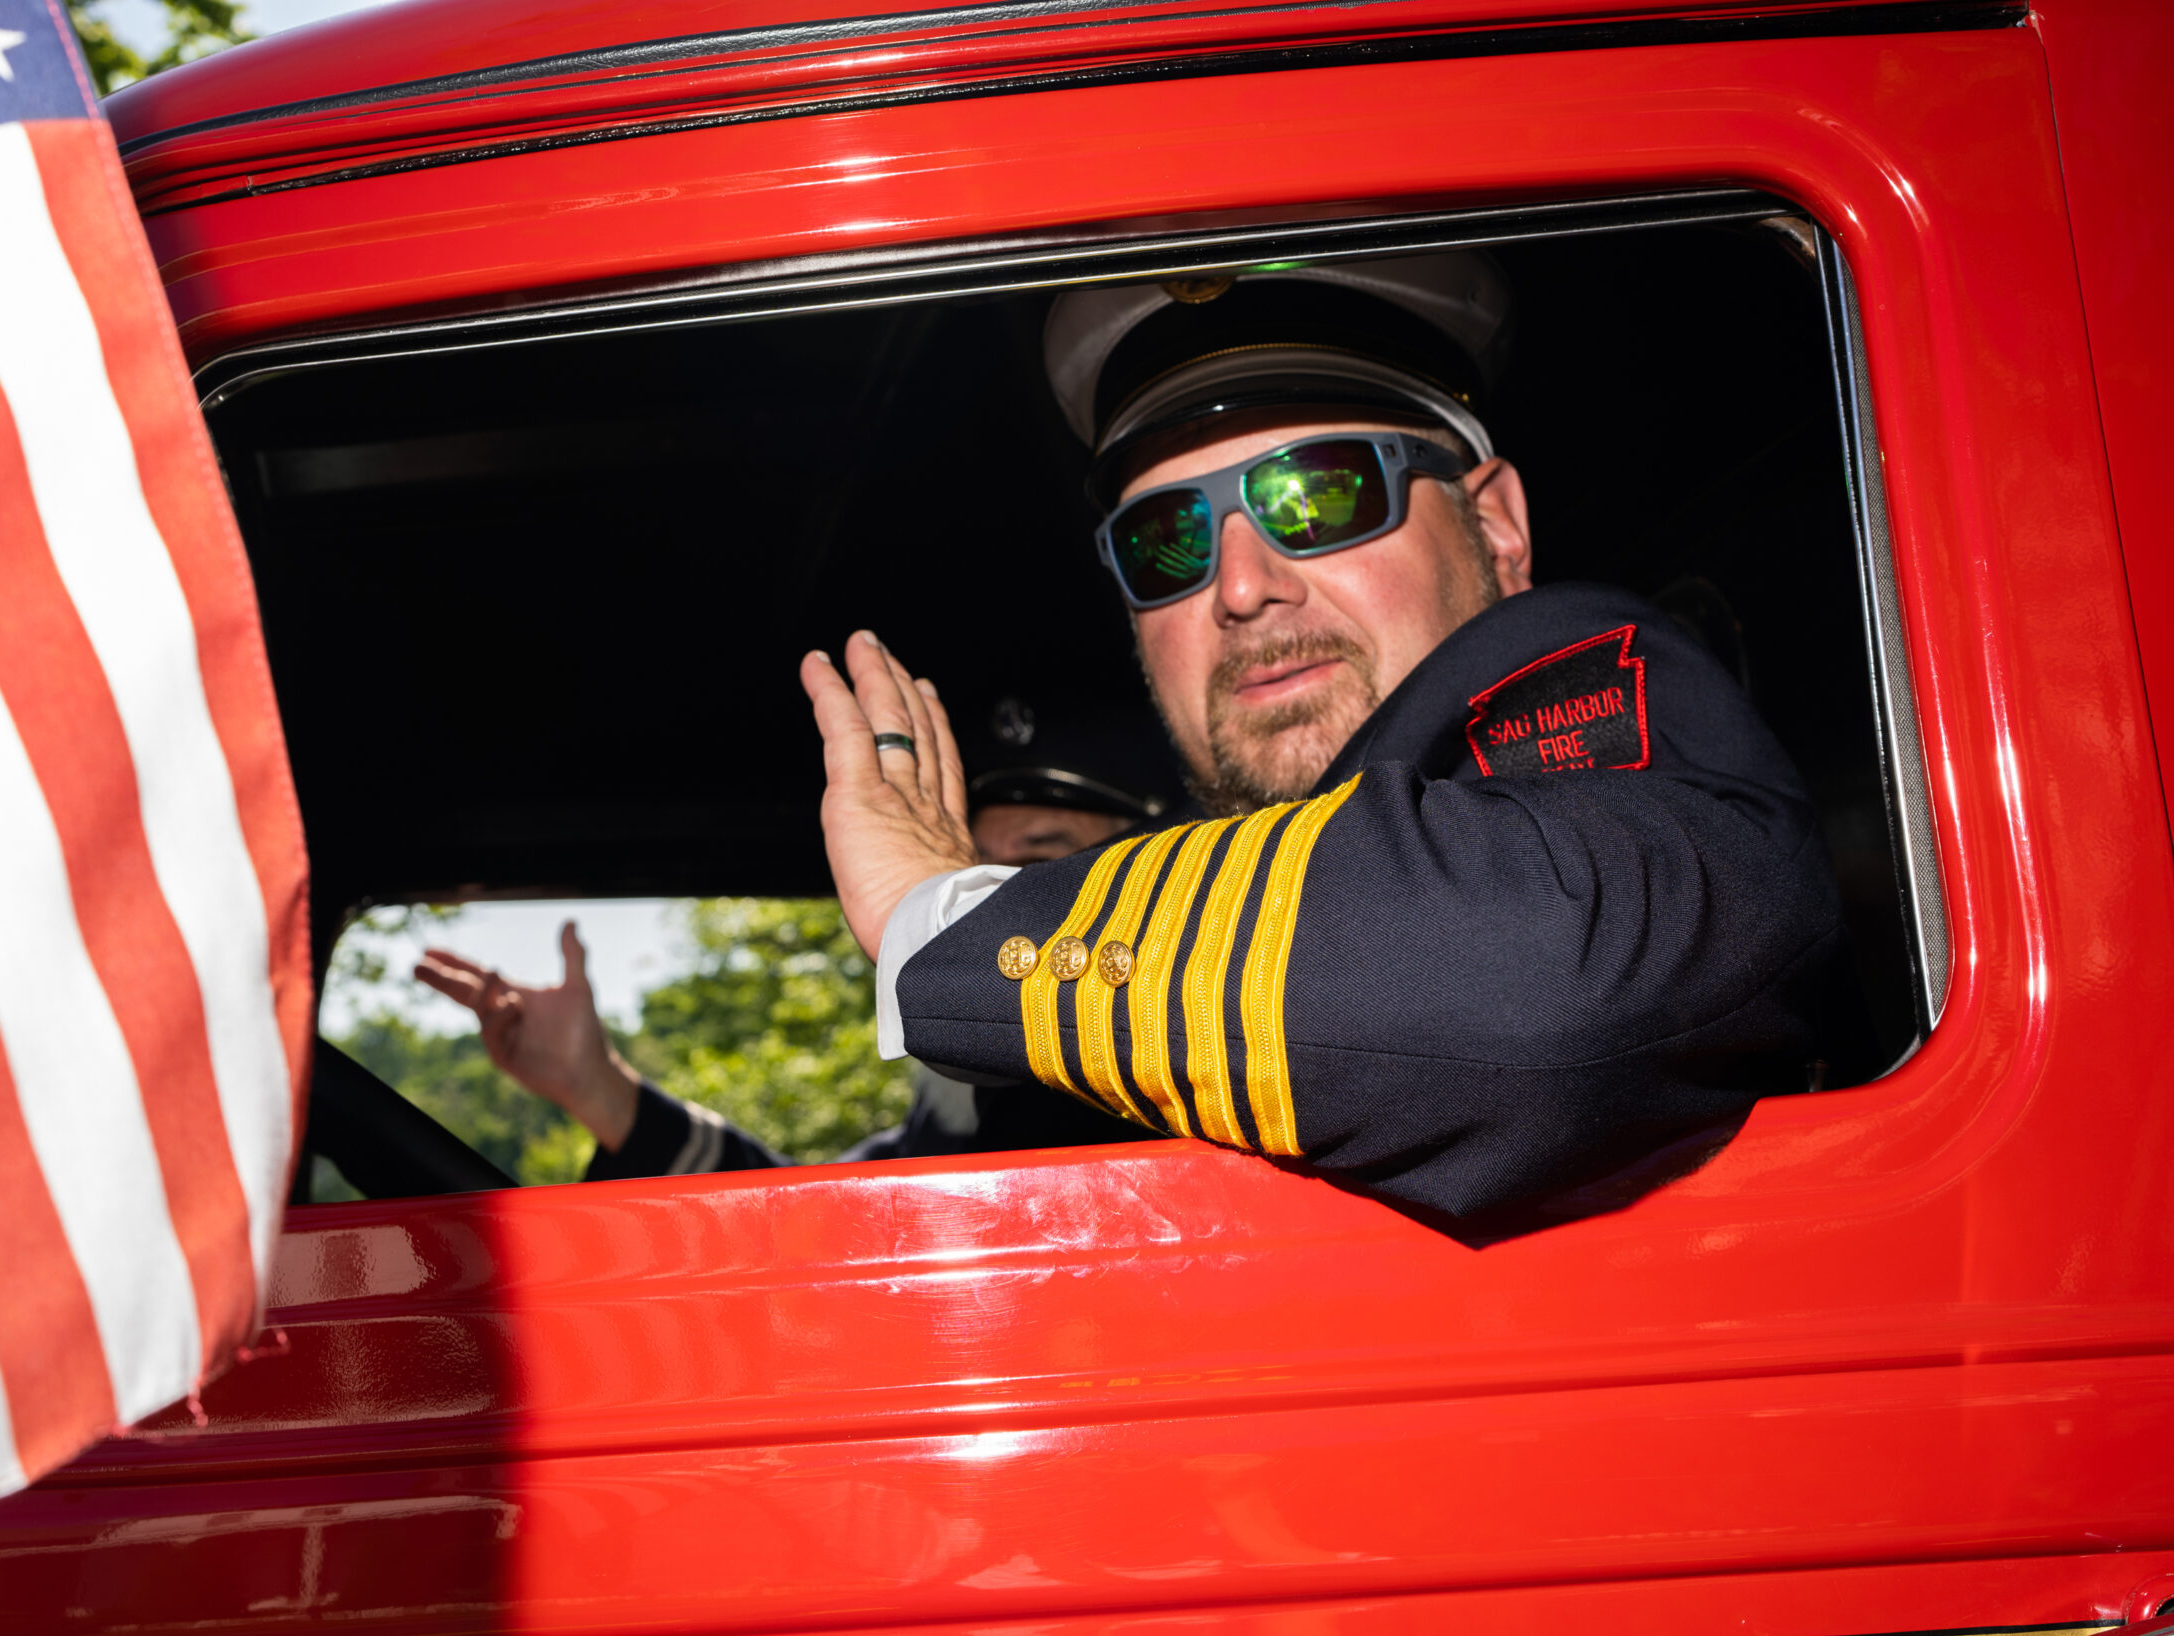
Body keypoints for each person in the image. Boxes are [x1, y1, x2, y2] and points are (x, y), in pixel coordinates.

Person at [799, 255, 1842, 1231]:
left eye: (1318, 493)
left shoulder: (1595, 686)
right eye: (1168, 542)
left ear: (1496, 528)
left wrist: (942, 920)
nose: (1243, 587)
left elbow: (1534, 991)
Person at [412, 697, 1183, 1179]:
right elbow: (798, 1228)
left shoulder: (1193, 1109)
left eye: (1032, 868)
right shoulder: (944, 1137)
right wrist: (598, 1088)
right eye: (963, 876)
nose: (972, 911)